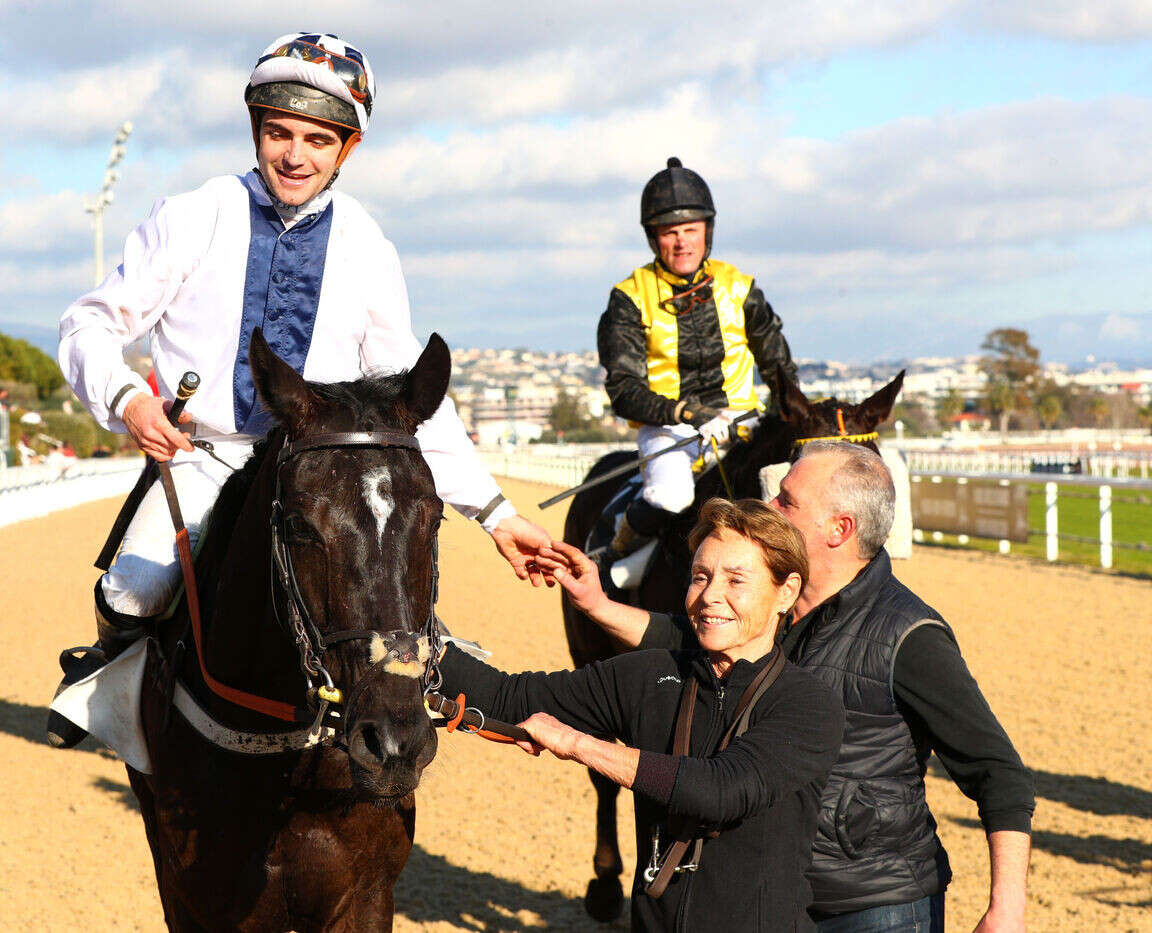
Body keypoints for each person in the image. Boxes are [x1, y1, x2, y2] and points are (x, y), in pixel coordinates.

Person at [50, 32, 551, 745]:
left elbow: (410, 401)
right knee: (132, 586)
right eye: (279, 132)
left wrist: (497, 514)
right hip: (206, 456)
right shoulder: (193, 215)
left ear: (345, 149)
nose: (294, 155)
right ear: (256, 130)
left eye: (318, 139)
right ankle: (114, 693)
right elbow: (88, 324)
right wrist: (128, 397)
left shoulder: (367, 245)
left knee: (386, 597)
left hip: (325, 468)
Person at [549, 441, 1034, 932]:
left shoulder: (910, 637)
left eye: (786, 500)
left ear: (839, 529)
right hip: (775, 897)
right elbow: (680, 635)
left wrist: (1006, 906)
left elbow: (997, 772)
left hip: (875, 908)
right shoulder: (776, 603)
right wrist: (596, 604)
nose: (768, 508)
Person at [440, 499, 842, 931]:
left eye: (735, 580)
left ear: (787, 591)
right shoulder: (653, 675)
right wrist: (418, 647)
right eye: (700, 576)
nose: (710, 597)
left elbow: (720, 790)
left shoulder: (808, 704)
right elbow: (511, 696)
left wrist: (581, 746)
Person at [598, 158, 797, 561]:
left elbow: (779, 369)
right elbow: (623, 391)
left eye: (691, 230)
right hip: (670, 431)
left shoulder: (740, 287)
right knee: (671, 498)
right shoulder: (629, 297)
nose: (682, 241)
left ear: (708, 231)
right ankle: (618, 553)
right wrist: (688, 413)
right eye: (670, 232)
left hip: (743, 425)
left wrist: (791, 416)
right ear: (654, 238)